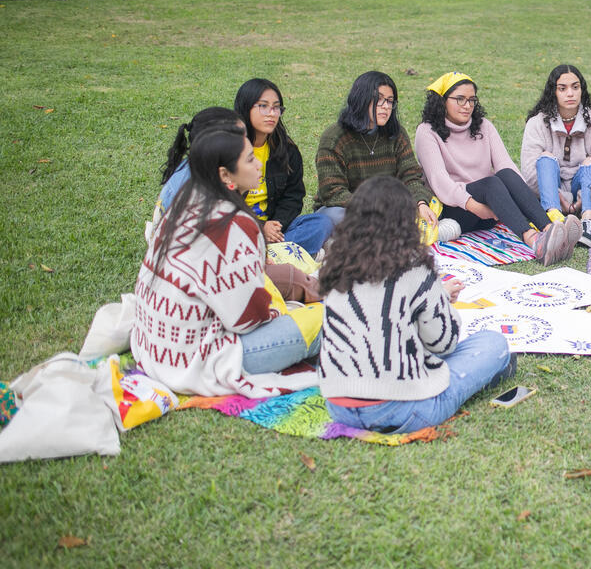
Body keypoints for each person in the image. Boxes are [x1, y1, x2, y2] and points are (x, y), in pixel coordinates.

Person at [132, 129, 321, 397]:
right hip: (203, 361)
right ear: (224, 175)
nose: (259, 165)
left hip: (153, 348)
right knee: (326, 318)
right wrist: (279, 310)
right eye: (250, 160)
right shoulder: (235, 224)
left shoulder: (185, 204)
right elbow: (247, 320)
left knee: (282, 285)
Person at [320, 176, 515, 434]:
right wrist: (439, 301)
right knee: (493, 344)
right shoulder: (413, 266)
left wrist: (432, 296)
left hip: (339, 406)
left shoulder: (335, 263)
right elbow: (444, 343)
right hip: (403, 409)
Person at [415, 72, 579, 265]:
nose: (467, 106)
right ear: (442, 100)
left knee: (506, 174)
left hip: (491, 210)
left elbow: (506, 166)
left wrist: (522, 199)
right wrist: (475, 206)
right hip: (456, 209)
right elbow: (440, 182)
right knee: (491, 183)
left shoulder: (483, 126)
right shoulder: (427, 131)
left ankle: (550, 231)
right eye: (460, 99)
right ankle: (534, 241)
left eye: (472, 100)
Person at [313, 71, 439, 239]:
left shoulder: (396, 134)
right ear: (361, 100)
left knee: (419, 213)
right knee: (335, 218)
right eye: (379, 99)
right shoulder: (334, 137)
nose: (386, 106)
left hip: (388, 208)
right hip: (347, 208)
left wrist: (420, 203)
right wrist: (374, 209)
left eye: (390, 101)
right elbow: (332, 191)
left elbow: (410, 176)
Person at [234, 78, 334, 255]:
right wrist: (260, 227)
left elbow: (293, 196)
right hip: (238, 228)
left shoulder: (287, 150)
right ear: (245, 107)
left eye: (276, 107)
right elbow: (221, 204)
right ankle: (284, 254)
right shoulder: (230, 148)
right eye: (263, 106)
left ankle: (267, 253)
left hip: (276, 231)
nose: (272, 113)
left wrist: (276, 226)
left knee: (321, 223)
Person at [521, 64, 591, 249]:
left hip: (585, 191)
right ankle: (554, 218)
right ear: (553, 92)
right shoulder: (536, 123)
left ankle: (588, 223)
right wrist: (560, 198)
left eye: (575, 87)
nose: (570, 94)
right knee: (545, 158)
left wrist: (582, 200)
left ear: (582, 90)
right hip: (550, 191)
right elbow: (530, 175)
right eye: (562, 88)